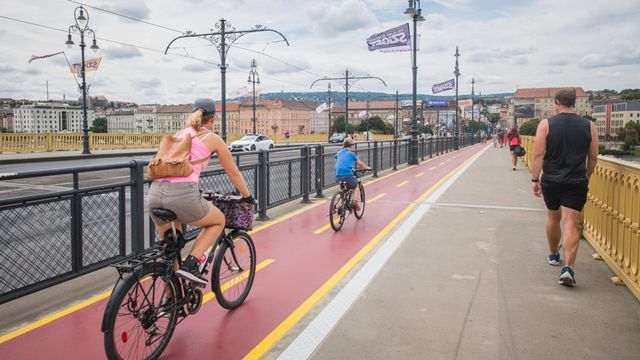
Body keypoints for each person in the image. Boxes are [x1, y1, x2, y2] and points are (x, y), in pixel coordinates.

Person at [148, 98, 253, 285]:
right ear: (212, 119)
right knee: (218, 221)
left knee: (172, 250)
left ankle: (170, 303)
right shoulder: (213, 139)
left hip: (155, 194)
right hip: (182, 196)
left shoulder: (180, 134)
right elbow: (233, 172)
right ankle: (192, 264)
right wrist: (247, 196)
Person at [531, 88, 598, 287]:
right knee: (570, 222)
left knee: (553, 216)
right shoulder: (589, 126)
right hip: (576, 181)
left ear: (557, 102)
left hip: (551, 180)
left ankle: (553, 255)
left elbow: (537, 155)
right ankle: (568, 268)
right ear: (574, 102)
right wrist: (585, 177)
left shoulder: (546, 124)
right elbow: (593, 158)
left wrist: (535, 180)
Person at [334, 137, 370, 211]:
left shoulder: (339, 153)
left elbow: (336, 161)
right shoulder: (351, 154)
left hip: (338, 174)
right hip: (347, 174)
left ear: (344, 145)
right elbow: (360, 164)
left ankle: (342, 204)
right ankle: (354, 201)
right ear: (351, 146)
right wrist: (367, 168)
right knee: (355, 186)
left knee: (344, 189)